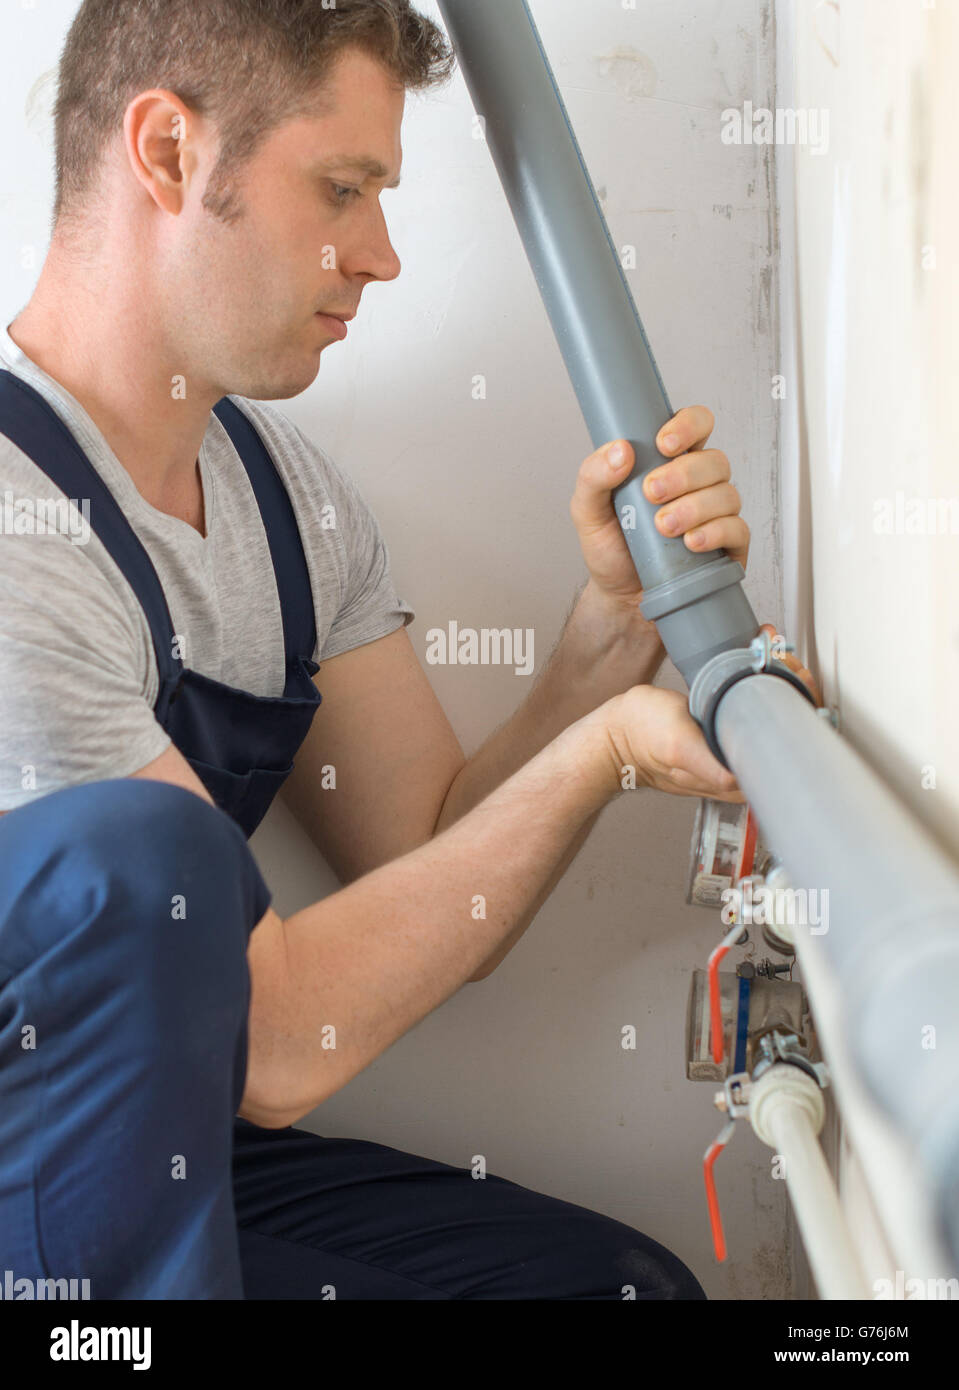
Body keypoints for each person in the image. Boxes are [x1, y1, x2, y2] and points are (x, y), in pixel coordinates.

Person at [0, 0, 804, 1300]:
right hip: (34, 1173)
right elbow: (274, 1035)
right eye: (342, 188)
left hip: (184, 1147)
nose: (379, 255)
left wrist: (612, 638)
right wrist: (603, 759)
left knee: (619, 1291)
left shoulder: (286, 497)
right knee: (147, 861)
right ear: (166, 153)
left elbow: (433, 859)